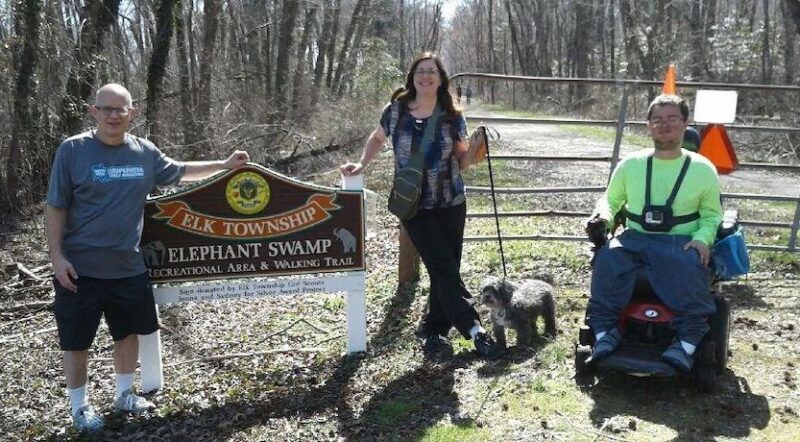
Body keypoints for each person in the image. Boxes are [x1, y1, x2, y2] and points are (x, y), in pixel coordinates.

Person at [46, 83, 249, 433]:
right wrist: (56, 257)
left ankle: (124, 394)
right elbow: (55, 206)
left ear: (131, 114)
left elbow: (181, 170)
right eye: (106, 109)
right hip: (80, 269)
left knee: (128, 333)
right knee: (76, 341)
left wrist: (225, 165)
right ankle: (79, 408)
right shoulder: (73, 151)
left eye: (120, 109)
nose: (113, 115)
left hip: (128, 265)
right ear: (93, 112)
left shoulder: (144, 153)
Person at [340, 53, 501, 360]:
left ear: (441, 79)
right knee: (441, 265)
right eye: (420, 71)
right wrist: (361, 163)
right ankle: (474, 330)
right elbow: (376, 139)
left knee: (446, 268)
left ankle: (434, 329)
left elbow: (461, 161)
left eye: (432, 72)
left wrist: (478, 146)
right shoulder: (396, 110)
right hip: (414, 206)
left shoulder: (452, 115)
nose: (425, 76)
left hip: (451, 201)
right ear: (412, 77)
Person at [585, 94, 722, 373]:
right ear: (648, 125)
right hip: (636, 236)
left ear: (685, 123)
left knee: (691, 264)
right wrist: (603, 218)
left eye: (672, 119)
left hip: (680, 240)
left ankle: (686, 343)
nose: (664, 125)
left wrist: (702, 238)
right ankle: (604, 335)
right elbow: (610, 201)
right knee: (607, 259)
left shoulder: (703, 169)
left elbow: (711, 215)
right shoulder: (631, 165)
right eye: (657, 120)